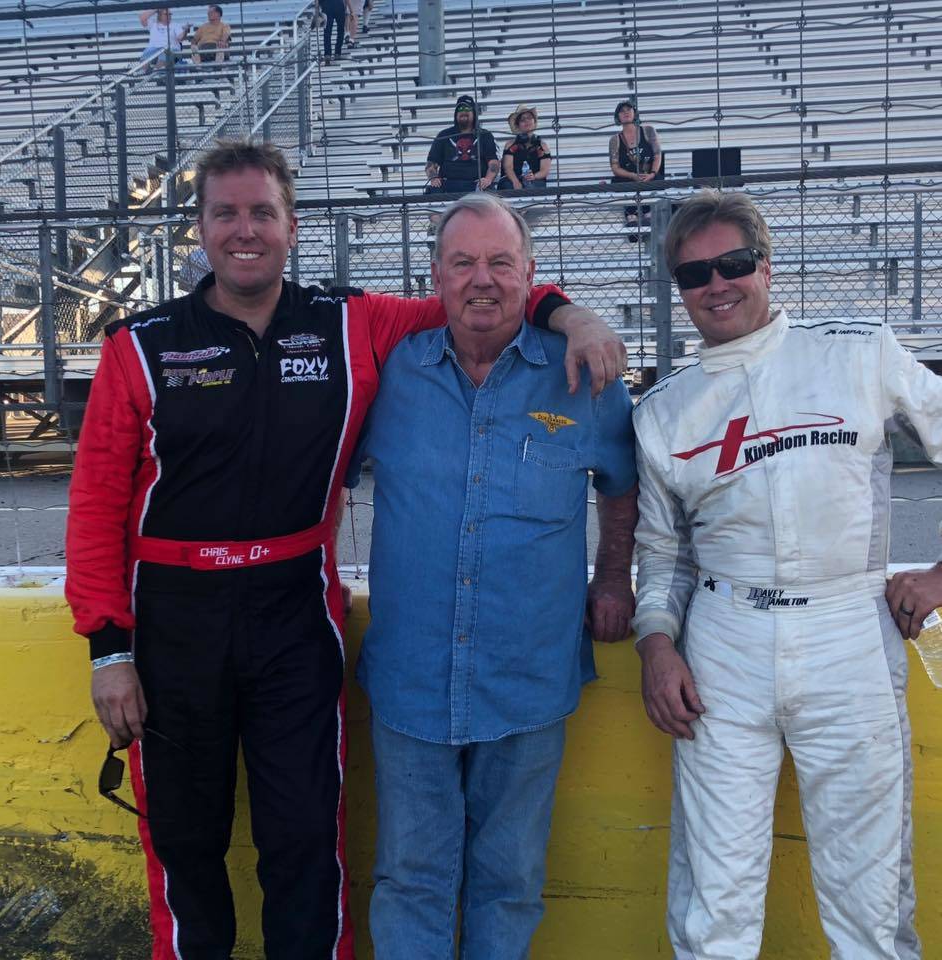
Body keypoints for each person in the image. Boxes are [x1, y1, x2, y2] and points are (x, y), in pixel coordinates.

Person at [65, 138, 626, 960]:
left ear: (293, 227)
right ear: (201, 228)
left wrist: (568, 311)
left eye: (263, 212)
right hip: (173, 619)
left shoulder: (352, 323)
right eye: (226, 213)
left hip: (295, 612)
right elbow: (96, 501)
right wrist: (107, 648)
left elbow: (481, 294)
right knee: (184, 844)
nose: (245, 229)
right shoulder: (139, 345)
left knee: (304, 842)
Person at [632, 189, 942, 959]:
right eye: (694, 274)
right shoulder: (662, 412)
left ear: (766, 266)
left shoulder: (857, 349)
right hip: (721, 646)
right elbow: (661, 552)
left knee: (868, 906)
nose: (716, 286)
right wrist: (655, 645)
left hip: (848, 631)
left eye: (732, 264)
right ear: (678, 291)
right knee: (713, 905)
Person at [348, 192, 639, 959]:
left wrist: (612, 578)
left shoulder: (584, 374)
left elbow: (622, 482)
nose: (483, 279)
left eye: (500, 262)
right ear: (434, 276)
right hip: (412, 677)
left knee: (509, 879)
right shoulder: (389, 374)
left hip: (526, 677)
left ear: (531, 275)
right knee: (410, 876)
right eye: (463, 262)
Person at [425, 95, 499, 193]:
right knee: (433, 190)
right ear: (456, 114)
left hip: (476, 183)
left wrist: (488, 179)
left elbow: (493, 163)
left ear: (474, 113)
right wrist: (433, 178)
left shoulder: (485, 135)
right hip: (448, 183)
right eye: (460, 109)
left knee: (488, 192)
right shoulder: (444, 135)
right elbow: (431, 163)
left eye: (467, 108)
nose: (463, 111)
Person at [608, 98, 662, 226]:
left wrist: (652, 173)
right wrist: (632, 175)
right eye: (622, 111)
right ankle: (631, 217)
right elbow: (615, 167)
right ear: (618, 117)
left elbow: (657, 154)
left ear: (635, 113)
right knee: (619, 183)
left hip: (648, 176)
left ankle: (648, 214)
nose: (626, 113)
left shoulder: (648, 131)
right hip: (628, 179)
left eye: (629, 110)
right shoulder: (615, 140)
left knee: (656, 182)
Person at [499, 103, 551, 190]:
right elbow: (508, 167)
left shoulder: (542, 145)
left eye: (529, 118)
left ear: (534, 122)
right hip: (511, 181)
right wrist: (515, 181)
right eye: (523, 120)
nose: (527, 121)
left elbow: (545, 170)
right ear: (518, 124)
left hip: (535, 181)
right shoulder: (510, 144)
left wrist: (534, 176)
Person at [320, 0, 346, 65]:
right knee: (340, 30)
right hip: (337, 4)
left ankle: (328, 54)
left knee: (327, 32)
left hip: (327, 5)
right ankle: (337, 53)